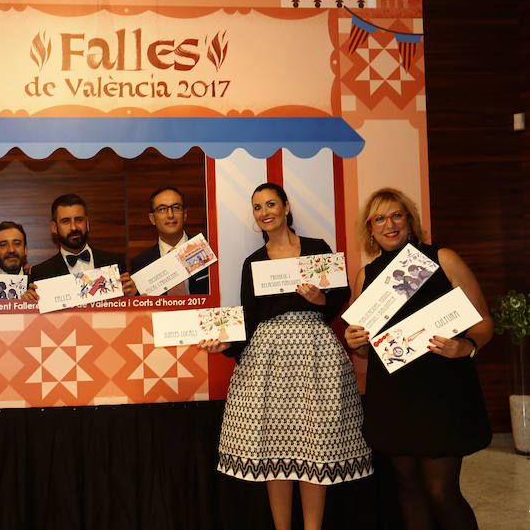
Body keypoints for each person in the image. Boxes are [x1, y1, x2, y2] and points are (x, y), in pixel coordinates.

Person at [200, 183, 372, 530]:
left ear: (286, 206)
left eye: (270, 204)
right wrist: (225, 344)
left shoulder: (315, 250)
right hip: (267, 361)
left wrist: (321, 301)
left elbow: (340, 297)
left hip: (316, 355)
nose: (265, 212)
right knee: (274, 451)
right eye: (257, 208)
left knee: (315, 449)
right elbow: (248, 319)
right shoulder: (253, 263)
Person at [344, 187, 492, 530]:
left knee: (441, 490)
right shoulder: (365, 276)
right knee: (408, 487)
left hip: (442, 392)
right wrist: (355, 341)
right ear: (370, 229)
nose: (389, 224)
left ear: (410, 220)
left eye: (397, 215)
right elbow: (366, 345)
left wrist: (466, 346)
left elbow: (484, 320)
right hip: (394, 396)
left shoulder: (443, 259)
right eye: (379, 218)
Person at [23, 193, 135, 301]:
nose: (74, 227)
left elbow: (129, 308)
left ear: (87, 223)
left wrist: (132, 295)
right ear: (54, 227)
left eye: (79, 220)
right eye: (65, 221)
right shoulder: (41, 273)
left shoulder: (114, 262)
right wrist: (30, 303)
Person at [131, 186, 209, 295]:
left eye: (176, 207)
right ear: (152, 218)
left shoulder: (207, 250)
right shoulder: (141, 263)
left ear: (185, 214)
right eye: (162, 209)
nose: (170, 215)